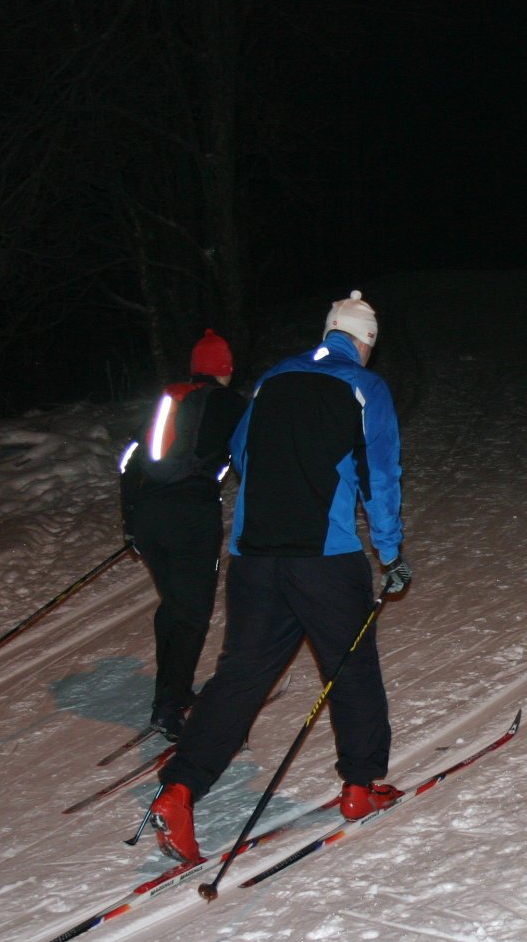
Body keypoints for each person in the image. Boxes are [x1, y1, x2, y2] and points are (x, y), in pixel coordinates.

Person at [148, 290, 412, 863]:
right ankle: (361, 787)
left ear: (328, 331)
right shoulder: (365, 388)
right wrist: (390, 555)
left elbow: (243, 454)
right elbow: (382, 476)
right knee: (351, 666)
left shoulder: (271, 380)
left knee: (241, 677)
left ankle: (181, 789)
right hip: (325, 558)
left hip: (254, 560)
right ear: (364, 341)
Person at [118, 329, 247, 742]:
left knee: (174, 603)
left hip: (150, 514)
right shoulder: (231, 404)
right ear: (225, 370)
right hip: (192, 517)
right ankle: (170, 705)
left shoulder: (169, 399)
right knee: (193, 612)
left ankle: (171, 690)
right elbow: (252, 457)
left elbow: (129, 461)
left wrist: (131, 521)